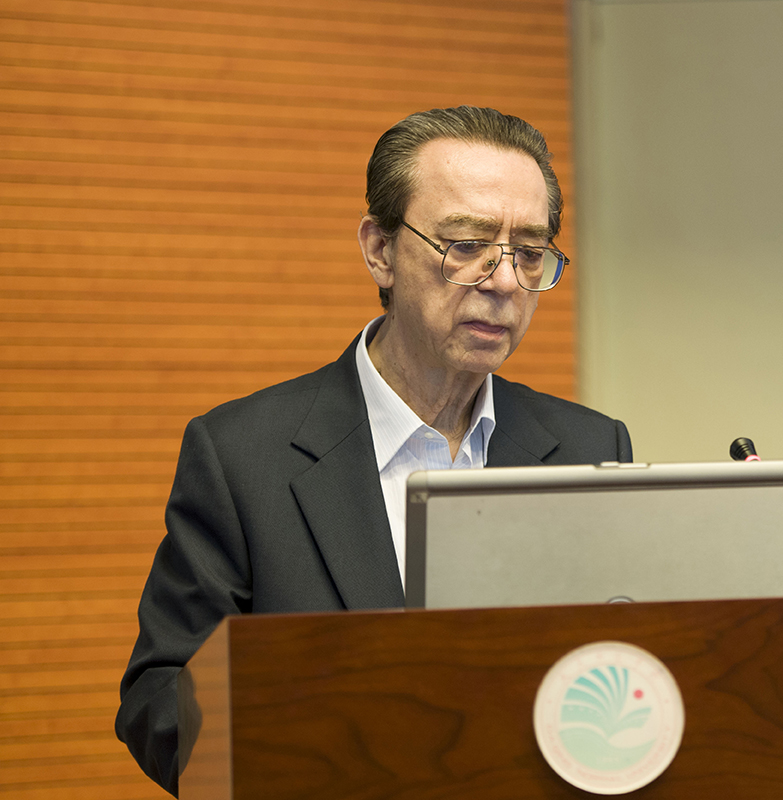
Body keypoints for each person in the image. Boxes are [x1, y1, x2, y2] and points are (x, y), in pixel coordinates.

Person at [115, 106, 632, 796]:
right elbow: (160, 704)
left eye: (530, 253)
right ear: (380, 251)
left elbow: (627, 672)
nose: (505, 281)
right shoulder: (242, 457)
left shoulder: (591, 449)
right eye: (467, 245)